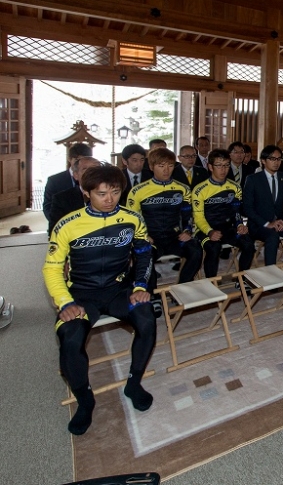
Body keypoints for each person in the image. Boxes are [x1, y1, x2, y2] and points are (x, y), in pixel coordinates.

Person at [42, 164, 157, 435]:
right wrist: (65, 302)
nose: (109, 199)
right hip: (81, 294)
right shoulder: (67, 224)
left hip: (117, 290)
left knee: (147, 318)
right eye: (101, 193)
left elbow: (144, 252)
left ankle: (134, 383)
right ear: (86, 192)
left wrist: (140, 284)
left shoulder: (132, 218)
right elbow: (51, 268)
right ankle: (85, 400)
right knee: (70, 339)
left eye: (115, 192)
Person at [126, 147, 203, 289]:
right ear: (151, 167)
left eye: (170, 166)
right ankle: (152, 297)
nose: (166, 170)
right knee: (145, 256)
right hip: (151, 238)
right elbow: (131, 220)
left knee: (196, 250)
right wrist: (143, 236)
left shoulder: (183, 189)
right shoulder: (138, 191)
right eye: (161, 166)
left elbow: (188, 215)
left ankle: (182, 287)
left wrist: (187, 231)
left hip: (174, 237)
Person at [242, 145, 283, 278]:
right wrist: (267, 223)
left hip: (281, 222)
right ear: (263, 161)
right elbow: (247, 208)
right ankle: (271, 274)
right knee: (272, 236)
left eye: (279, 159)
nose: (276, 162)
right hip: (259, 225)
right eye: (272, 159)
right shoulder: (253, 179)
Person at [192, 149, 255, 277]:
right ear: (210, 167)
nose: (223, 169)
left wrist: (239, 225)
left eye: (226, 165)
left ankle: (241, 279)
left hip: (228, 229)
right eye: (219, 165)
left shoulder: (235, 187)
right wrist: (210, 231)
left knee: (249, 245)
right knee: (214, 249)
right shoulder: (199, 190)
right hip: (205, 230)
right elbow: (198, 217)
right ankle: (211, 283)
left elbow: (236, 211)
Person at [43, 143, 93, 231]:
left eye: (84, 159)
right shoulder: (55, 181)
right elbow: (48, 207)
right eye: (77, 159)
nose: (80, 163)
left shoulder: (97, 179)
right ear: (69, 159)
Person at [48, 156, 102, 233]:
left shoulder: (113, 195)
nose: (91, 173)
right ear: (76, 175)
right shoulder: (61, 199)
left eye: (96, 169)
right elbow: (55, 231)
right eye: (85, 169)